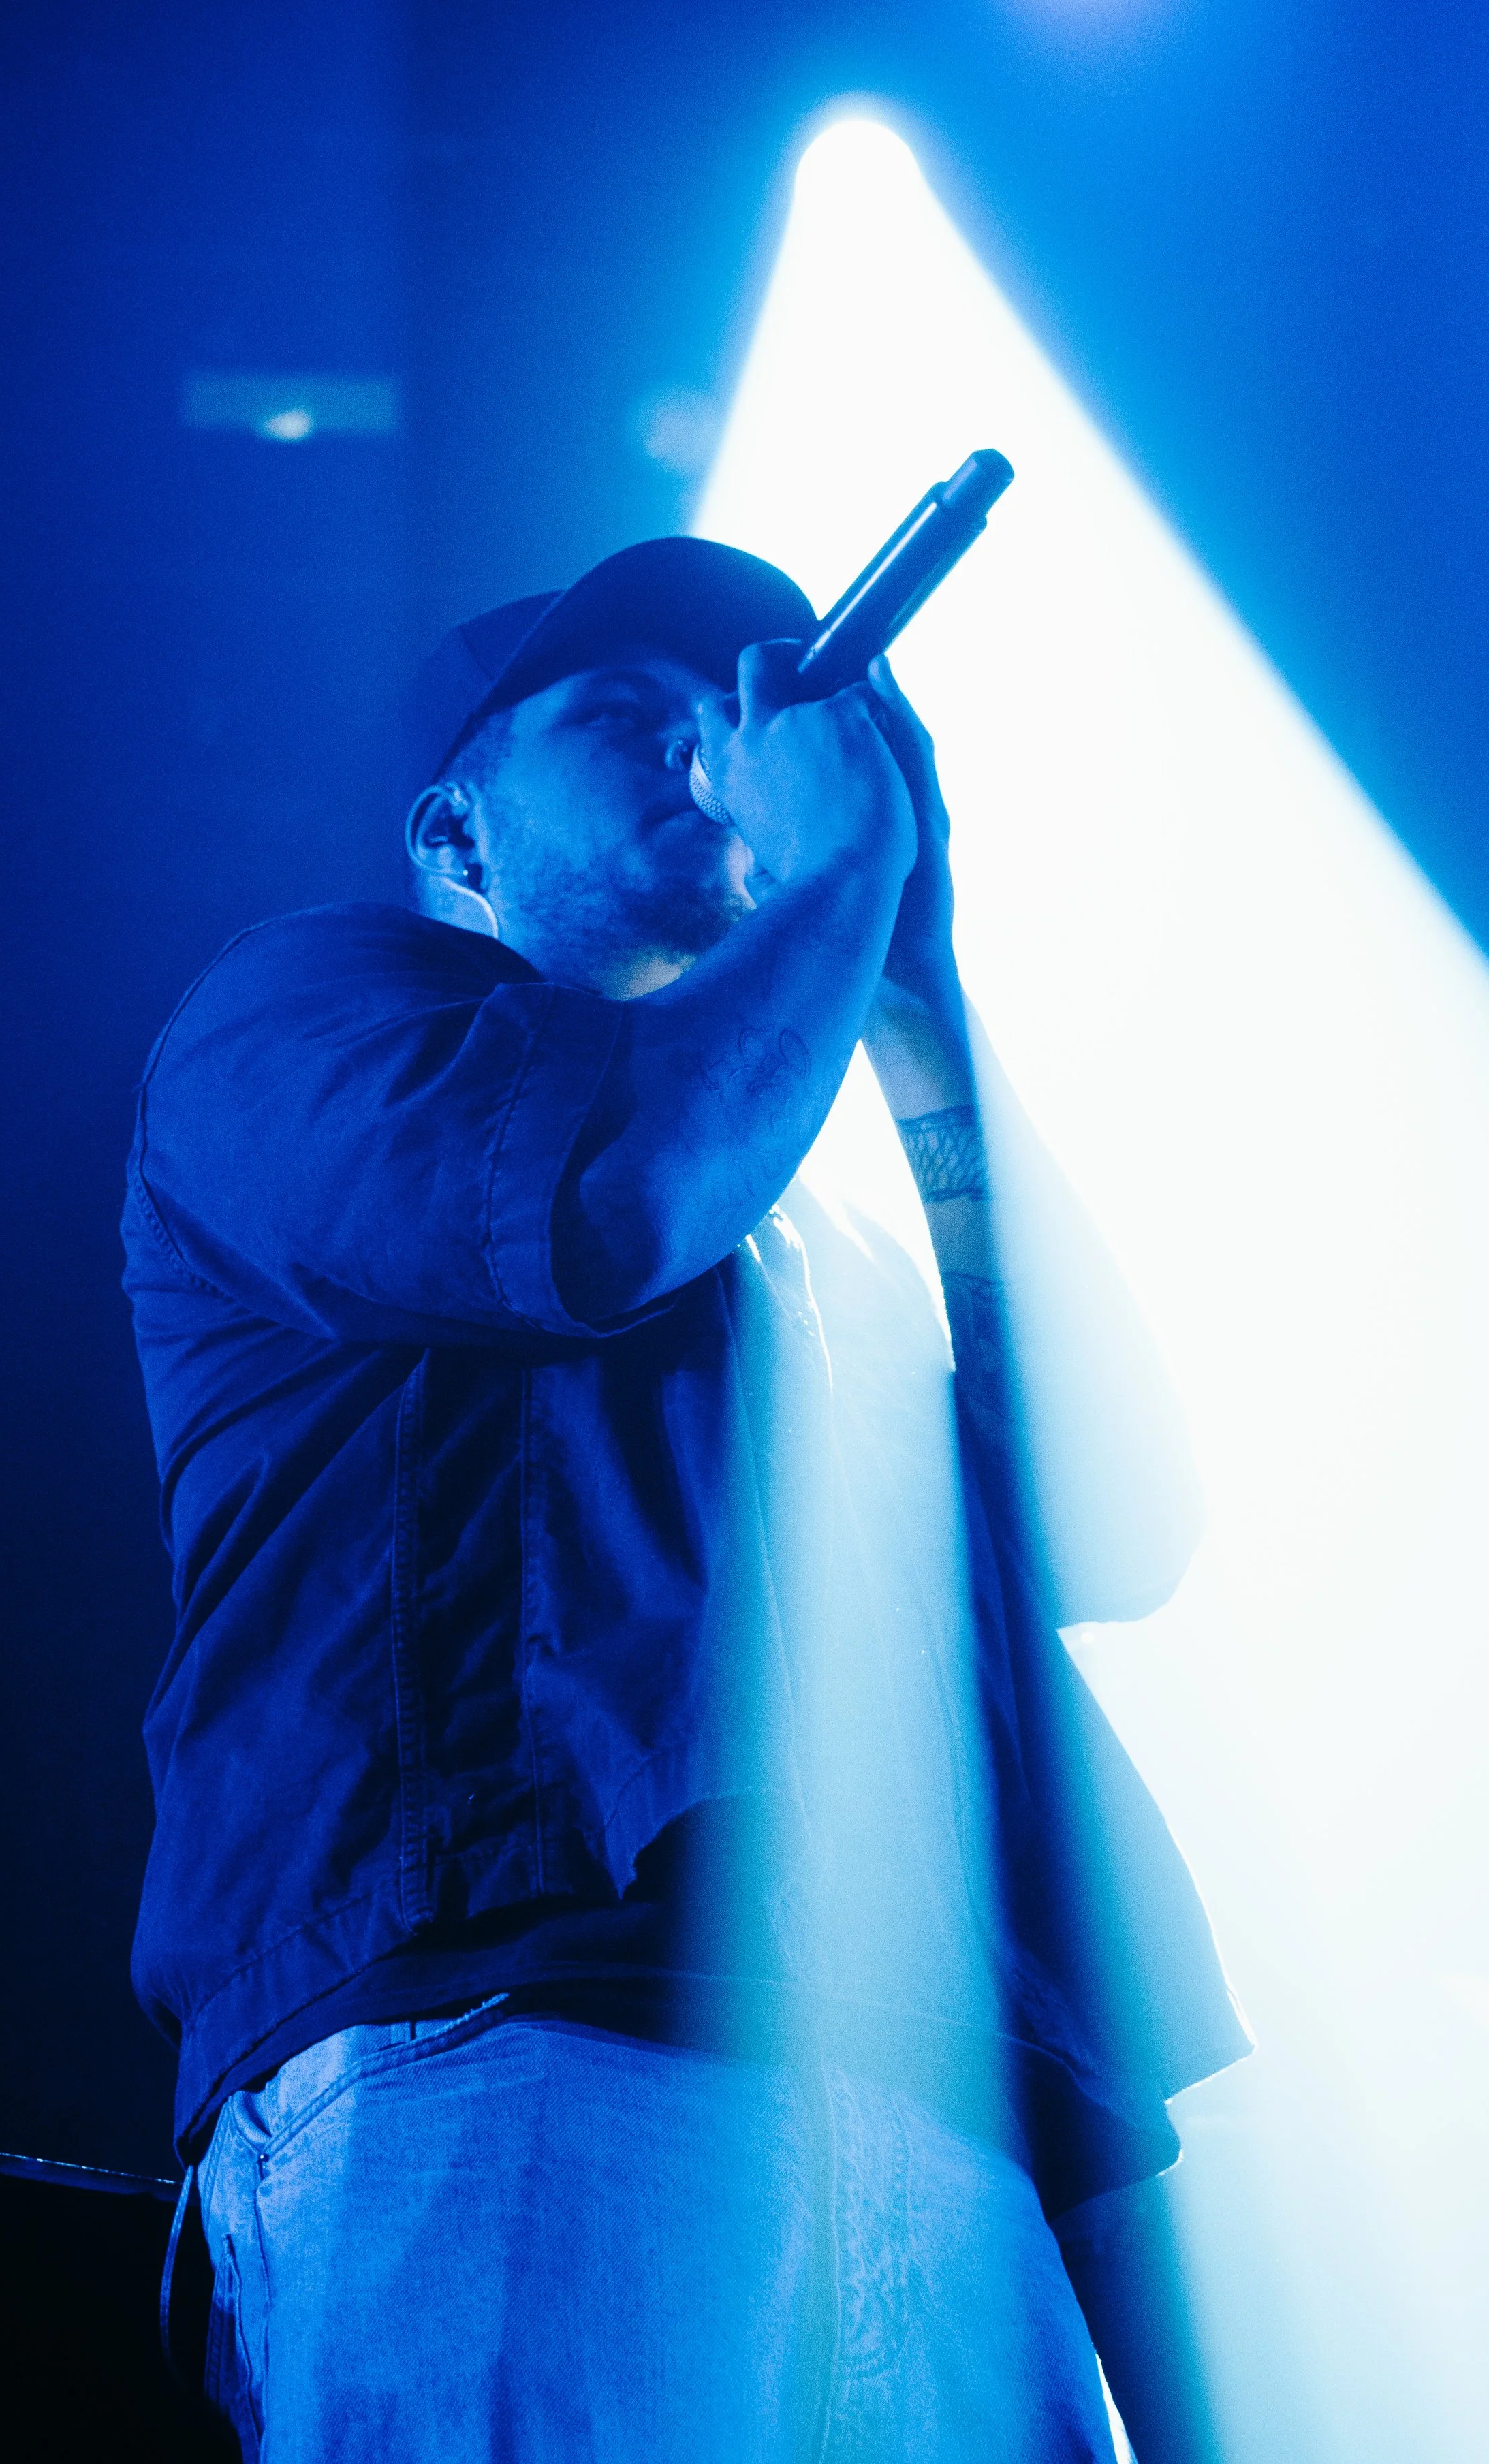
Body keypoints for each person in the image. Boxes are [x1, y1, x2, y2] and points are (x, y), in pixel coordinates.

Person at [123, 537, 1249, 2463]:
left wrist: (915, 986)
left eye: (724, 729)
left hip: (934, 2114)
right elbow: (596, 1204)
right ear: (454, 827)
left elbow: (1114, 1523)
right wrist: (834, 874)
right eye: (630, 720)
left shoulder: (821, 1262)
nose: (709, 757)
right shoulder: (303, 1015)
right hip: (515, 2034)